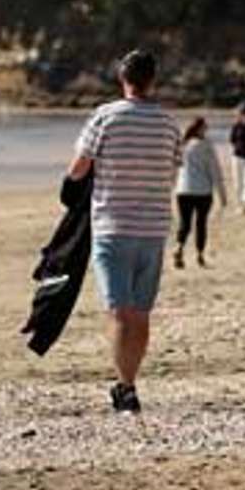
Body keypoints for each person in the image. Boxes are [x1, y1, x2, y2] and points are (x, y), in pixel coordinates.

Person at [67, 49, 183, 414]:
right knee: (140, 313)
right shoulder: (167, 123)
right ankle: (129, 382)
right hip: (153, 229)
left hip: (113, 226)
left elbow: (78, 168)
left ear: (123, 78)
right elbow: (172, 168)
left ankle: (126, 385)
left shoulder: (105, 116)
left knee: (118, 312)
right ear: (153, 80)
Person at [173, 116, 230, 268]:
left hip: (183, 190)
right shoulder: (205, 146)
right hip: (202, 191)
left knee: (184, 223)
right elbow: (215, 171)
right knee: (201, 223)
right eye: (205, 127)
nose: (207, 130)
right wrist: (222, 195)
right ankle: (199, 254)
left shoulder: (182, 146)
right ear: (199, 129)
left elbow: (175, 168)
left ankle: (179, 247)